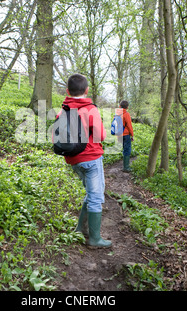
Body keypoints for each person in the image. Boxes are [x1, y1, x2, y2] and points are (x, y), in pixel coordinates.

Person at [60, 73, 112, 248]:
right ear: (87, 90)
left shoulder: (63, 110)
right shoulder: (90, 109)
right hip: (91, 158)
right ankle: (95, 239)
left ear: (67, 91)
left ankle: (79, 230)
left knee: (91, 194)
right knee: (96, 196)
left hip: (74, 161)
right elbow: (101, 136)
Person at [119, 100, 134, 172]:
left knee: (124, 149)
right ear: (127, 107)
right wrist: (132, 135)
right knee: (127, 150)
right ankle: (126, 167)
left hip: (119, 135)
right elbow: (129, 125)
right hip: (126, 135)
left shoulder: (117, 113)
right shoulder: (126, 114)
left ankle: (125, 166)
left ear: (120, 106)